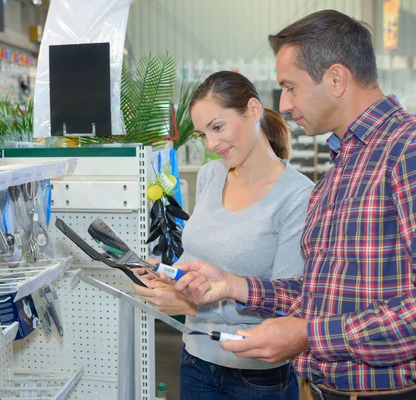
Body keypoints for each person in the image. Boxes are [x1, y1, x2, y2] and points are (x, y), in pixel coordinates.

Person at [170, 9, 416, 400]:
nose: (283, 104)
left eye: (291, 87)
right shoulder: (339, 171)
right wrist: (232, 285)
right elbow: (318, 293)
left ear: (336, 78)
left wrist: (306, 333)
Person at [134, 70, 314, 399]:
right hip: (195, 362)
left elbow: (290, 305)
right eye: (203, 134)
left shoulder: (299, 197)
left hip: (256, 379)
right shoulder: (210, 175)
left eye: (218, 127)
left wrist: (190, 306)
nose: (212, 144)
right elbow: (197, 262)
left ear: (254, 111)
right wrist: (168, 277)